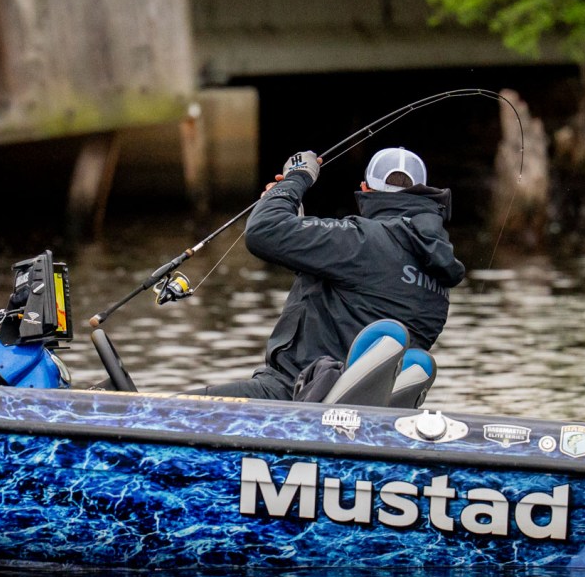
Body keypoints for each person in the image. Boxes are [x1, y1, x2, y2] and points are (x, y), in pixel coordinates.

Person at [189, 147, 465, 400]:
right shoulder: (439, 268)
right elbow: (365, 288)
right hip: (345, 405)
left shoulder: (364, 241)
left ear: (365, 190)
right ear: (422, 194)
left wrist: (295, 178)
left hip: (293, 394)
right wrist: (296, 225)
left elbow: (264, 230)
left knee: (172, 408)